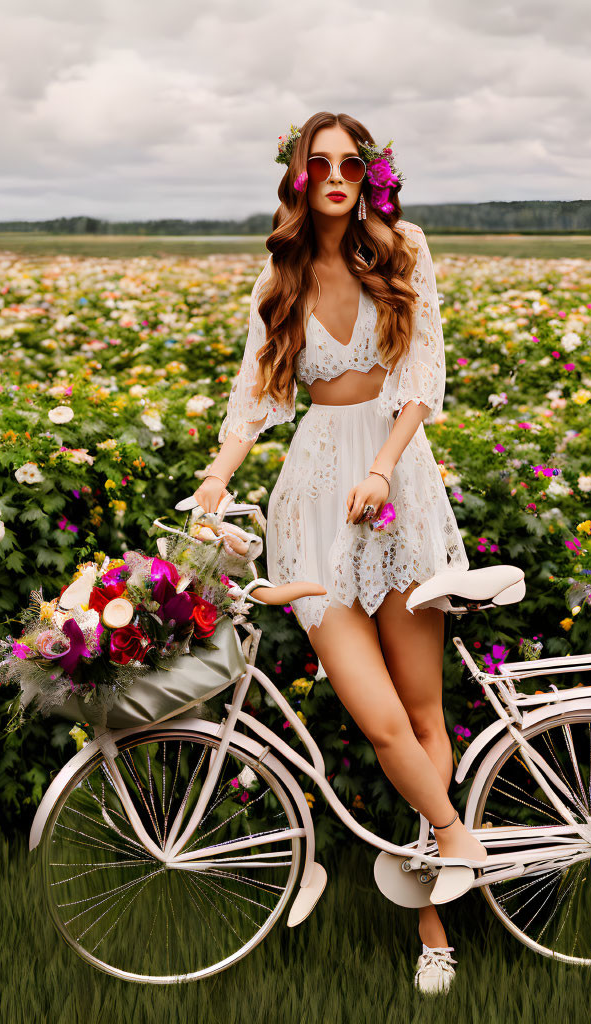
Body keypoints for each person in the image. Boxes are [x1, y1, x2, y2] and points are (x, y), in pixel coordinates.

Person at [192, 111, 486, 995]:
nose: (335, 174)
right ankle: (457, 839)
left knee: (425, 712)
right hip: (313, 499)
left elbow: (421, 377)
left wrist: (386, 470)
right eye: (318, 163)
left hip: (397, 490)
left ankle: (434, 923)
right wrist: (215, 479)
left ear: (371, 173)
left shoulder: (405, 248)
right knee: (378, 716)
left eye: (351, 162)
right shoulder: (279, 272)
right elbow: (254, 393)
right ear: (295, 177)